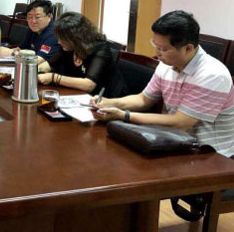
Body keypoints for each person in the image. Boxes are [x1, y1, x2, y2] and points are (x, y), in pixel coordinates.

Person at [91, 10, 234, 157]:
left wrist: (123, 115)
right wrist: (110, 103)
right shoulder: (166, 64)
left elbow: (180, 123)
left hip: (209, 154)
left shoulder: (212, 74)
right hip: (172, 141)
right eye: (156, 46)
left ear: (188, 48)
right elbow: (143, 99)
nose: (158, 53)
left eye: (163, 49)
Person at [38, 12, 128, 96]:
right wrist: (33, 71)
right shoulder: (68, 47)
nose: (59, 42)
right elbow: (47, 66)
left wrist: (54, 78)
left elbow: (89, 85)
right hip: (78, 96)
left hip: (107, 99)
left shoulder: (100, 49)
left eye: (63, 39)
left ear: (76, 38)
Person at [0, 0, 59, 64]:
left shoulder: (54, 34)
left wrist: (11, 53)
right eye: (30, 17)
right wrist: (1, 50)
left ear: (49, 16)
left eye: (37, 17)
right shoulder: (33, 29)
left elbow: (38, 60)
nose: (33, 21)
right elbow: (21, 49)